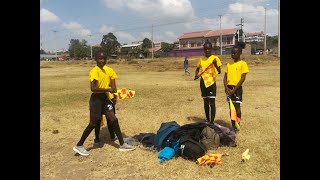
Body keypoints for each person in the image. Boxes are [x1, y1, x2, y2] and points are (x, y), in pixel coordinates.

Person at [73, 51, 135, 156]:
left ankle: (122, 144)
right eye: (100, 59)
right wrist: (108, 89)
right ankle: (79, 145)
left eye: (104, 59)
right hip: (96, 100)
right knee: (93, 123)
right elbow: (93, 88)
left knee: (113, 119)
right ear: (96, 60)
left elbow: (113, 86)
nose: (102, 60)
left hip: (105, 98)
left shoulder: (107, 70)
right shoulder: (94, 71)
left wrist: (114, 93)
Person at [223, 43, 249, 133]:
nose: (233, 55)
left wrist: (234, 89)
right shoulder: (229, 64)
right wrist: (226, 88)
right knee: (231, 109)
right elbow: (225, 78)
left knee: (237, 108)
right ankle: (233, 125)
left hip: (237, 89)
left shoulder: (243, 64)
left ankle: (238, 125)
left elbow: (243, 78)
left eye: (235, 53)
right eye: (232, 53)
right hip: (229, 88)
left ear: (240, 53)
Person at [194, 40, 222, 124]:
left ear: (211, 49)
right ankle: (207, 120)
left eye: (208, 49)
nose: (207, 51)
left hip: (212, 82)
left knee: (212, 103)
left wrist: (215, 64)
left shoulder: (215, 58)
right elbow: (197, 69)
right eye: (205, 49)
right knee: (206, 102)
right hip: (203, 82)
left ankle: (212, 121)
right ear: (203, 50)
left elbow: (219, 71)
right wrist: (196, 74)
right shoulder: (201, 59)